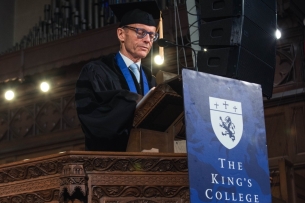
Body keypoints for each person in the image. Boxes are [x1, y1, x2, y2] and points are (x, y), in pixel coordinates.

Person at [75, 1, 161, 151]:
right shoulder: (97, 72)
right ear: (121, 34)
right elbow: (95, 121)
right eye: (140, 32)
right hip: (109, 164)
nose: (147, 40)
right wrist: (133, 102)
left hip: (147, 160)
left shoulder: (150, 78)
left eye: (152, 35)